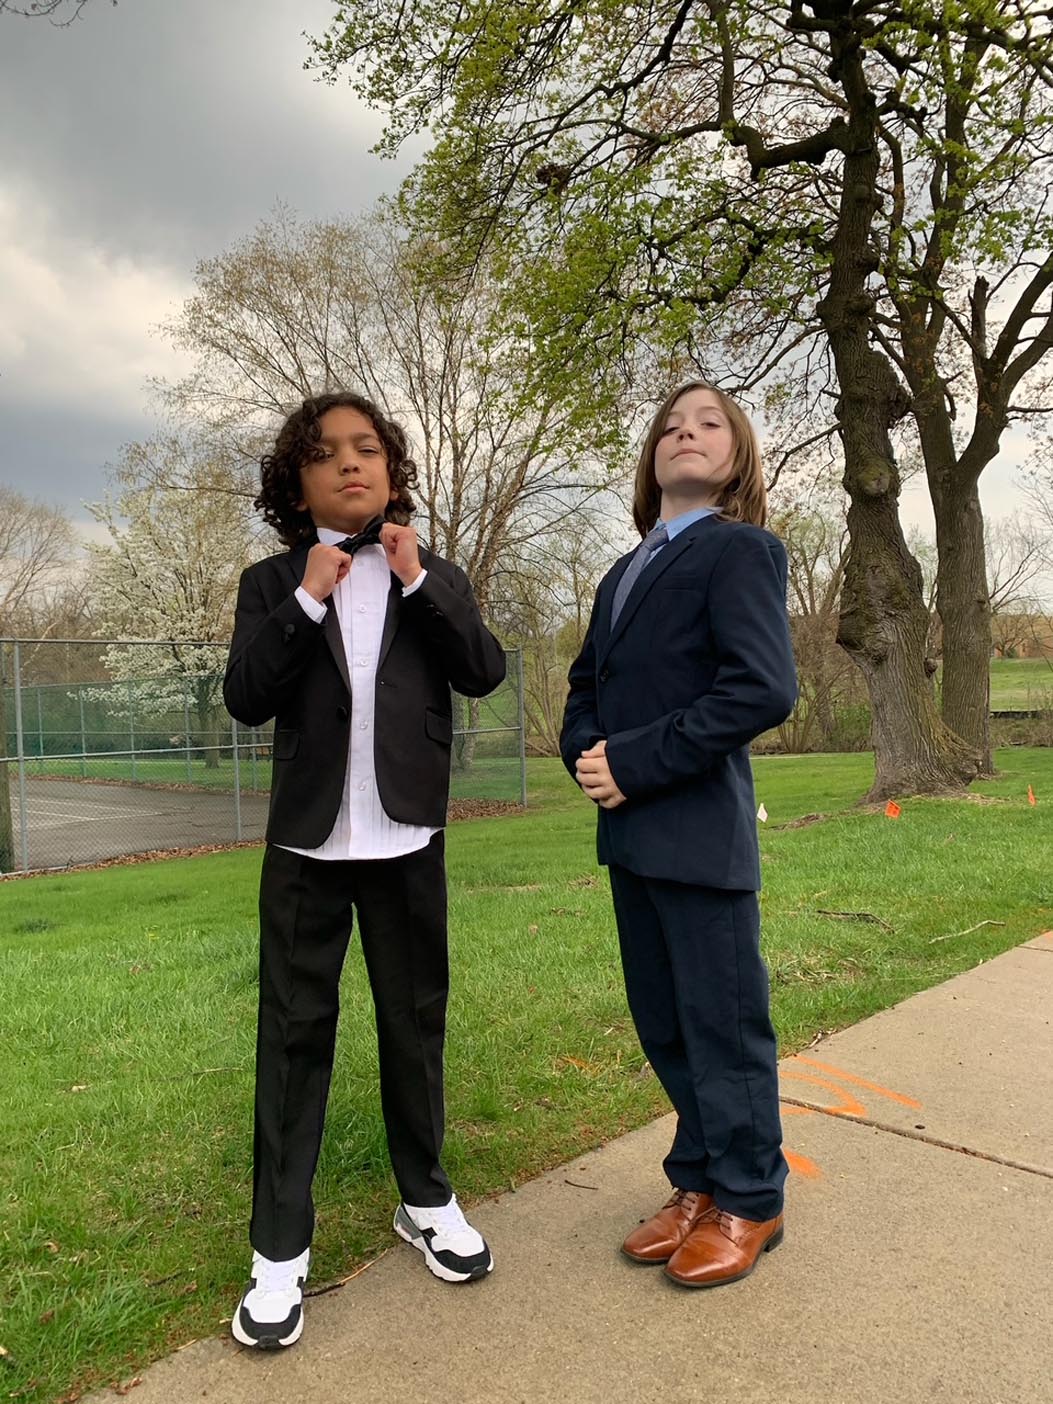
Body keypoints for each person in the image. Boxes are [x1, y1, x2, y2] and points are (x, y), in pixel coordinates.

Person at [223, 390, 506, 1349]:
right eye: (325, 453)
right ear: (295, 484)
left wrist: (419, 581)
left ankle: (424, 1199)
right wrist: (308, 596)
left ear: (390, 469)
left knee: (414, 1025)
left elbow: (482, 671)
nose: (350, 463)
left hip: (406, 841)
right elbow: (246, 696)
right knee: (293, 1036)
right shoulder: (272, 582)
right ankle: (278, 1248)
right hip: (307, 847)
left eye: (367, 448)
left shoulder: (432, 574)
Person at [560, 382, 797, 1290]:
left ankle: (750, 1196)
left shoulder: (741, 550)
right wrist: (588, 756)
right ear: (650, 458)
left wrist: (635, 761)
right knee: (665, 1025)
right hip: (629, 837)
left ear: (736, 458)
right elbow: (586, 685)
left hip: (699, 835)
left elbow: (760, 689)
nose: (685, 434)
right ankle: (696, 1181)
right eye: (669, 425)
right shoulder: (621, 573)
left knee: (722, 1027)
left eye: (708, 424)